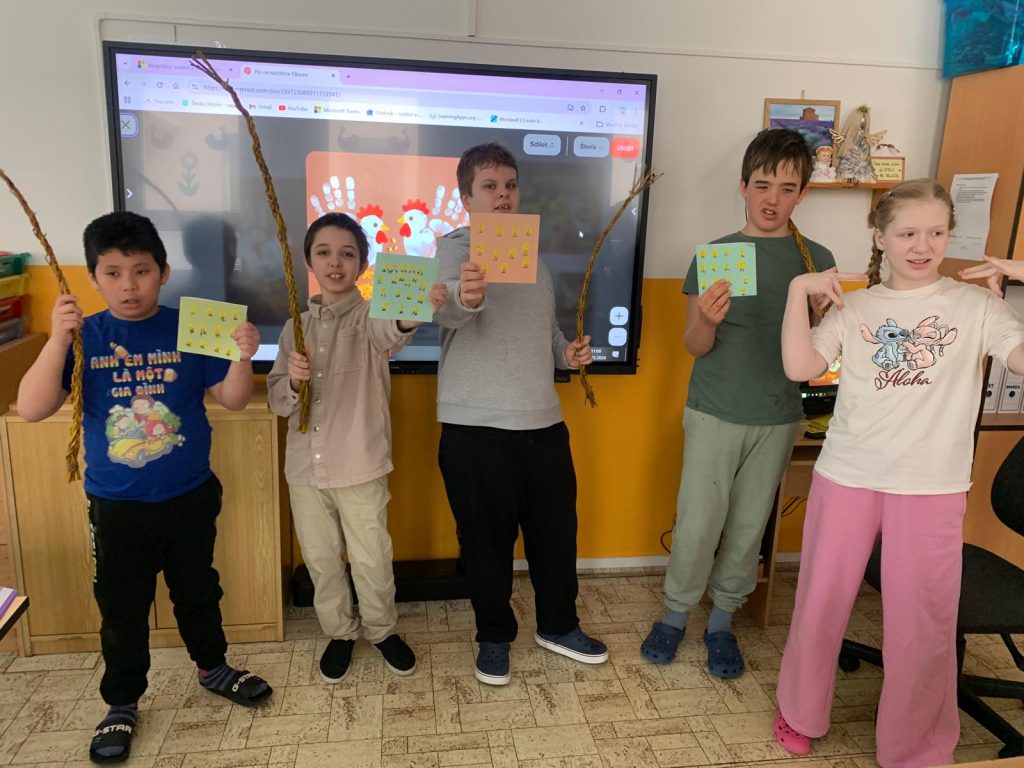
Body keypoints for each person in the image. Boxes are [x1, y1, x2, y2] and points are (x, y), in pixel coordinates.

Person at [772, 178, 1024, 767]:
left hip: (931, 488)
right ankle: (800, 710)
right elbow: (800, 366)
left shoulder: (978, 307)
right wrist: (796, 291)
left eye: (936, 232)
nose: (922, 246)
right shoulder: (856, 307)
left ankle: (915, 746)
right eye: (908, 233)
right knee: (820, 604)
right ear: (880, 237)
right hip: (847, 476)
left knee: (923, 625)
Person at [16, 211, 271, 765]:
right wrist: (57, 339)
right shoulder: (84, 336)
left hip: (190, 495)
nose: (128, 285)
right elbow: (32, 407)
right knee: (122, 607)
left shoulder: (193, 326)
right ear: (93, 277)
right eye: (112, 273)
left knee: (198, 590)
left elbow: (232, 399)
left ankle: (213, 667)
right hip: (117, 506)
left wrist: (241, 356)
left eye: (141, 271)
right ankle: (122, 702)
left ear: (163, 272)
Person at [641, 128, 836, 677]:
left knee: (750, 524)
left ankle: (722, 622)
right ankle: (675, 615)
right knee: (698, 522)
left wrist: (823, 315)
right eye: (762, 185)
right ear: (744, 186)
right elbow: (694, 346)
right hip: (714, 411)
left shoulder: (816, 259)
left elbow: (818, 352)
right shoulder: (716, 255)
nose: (773, 199)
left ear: (803, 194)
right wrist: (706, 319)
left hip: (779, 415)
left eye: (788, 188)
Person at [433, 142, 607, 686]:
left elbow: (546, 333)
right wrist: (467, 296)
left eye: (510, 185)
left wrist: (567, 354)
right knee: (485, 546)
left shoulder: (537, 262)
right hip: (475, 429)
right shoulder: (453, 252)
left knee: (557, 538)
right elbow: (448, 312)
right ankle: (493, 637)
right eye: (489, 187)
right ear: (467, 198)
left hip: (544, 423)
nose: (503, 196)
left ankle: (558, 625)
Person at [267, 212, 447, 683]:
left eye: (347, 254)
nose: (335, 262)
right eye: (324, 252)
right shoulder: (294, 329)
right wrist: (293, 381)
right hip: (305, 469)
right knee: (322, 560)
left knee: (371, 558)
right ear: (309, 261)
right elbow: (278, 400)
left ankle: (382, 630)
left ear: (363, 265)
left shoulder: (372, 316)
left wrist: (413, 311)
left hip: (360, 463)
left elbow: (394, 329)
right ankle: (340, 632)